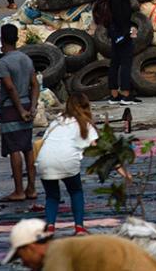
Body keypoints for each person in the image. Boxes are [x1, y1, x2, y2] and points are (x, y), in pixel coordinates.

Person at [36, 93, 105, 234]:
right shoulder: (85, 124)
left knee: (52, 196)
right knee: (75, 191)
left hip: (45, 160)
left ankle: (50, 226)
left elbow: (44, 140)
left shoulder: (56, 121)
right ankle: (79, 226)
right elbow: (96, 146)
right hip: (67, 161)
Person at [2, 218, 156, 270]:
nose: (24, 263)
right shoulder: (68, 247)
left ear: (30, 247)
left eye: (20, 256)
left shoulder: (57, 251)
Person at [0, 24, 38, 201]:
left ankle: (19, 190)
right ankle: (32, 189)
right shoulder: (26, 59)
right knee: (27, 147)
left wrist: (20, 109)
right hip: (28, 104)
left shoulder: (3, 62)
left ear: (2, 39)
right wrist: (33, 106)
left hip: (11, 108)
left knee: (14, 149)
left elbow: (10, 88)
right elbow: (35, 84)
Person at [103, 0, 137, 105]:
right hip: (121, 28)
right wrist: (126, 28)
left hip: (116, 28)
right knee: (125, 60)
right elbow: (118, 9)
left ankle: (114, 94)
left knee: (116, 60)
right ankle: (125, 93)